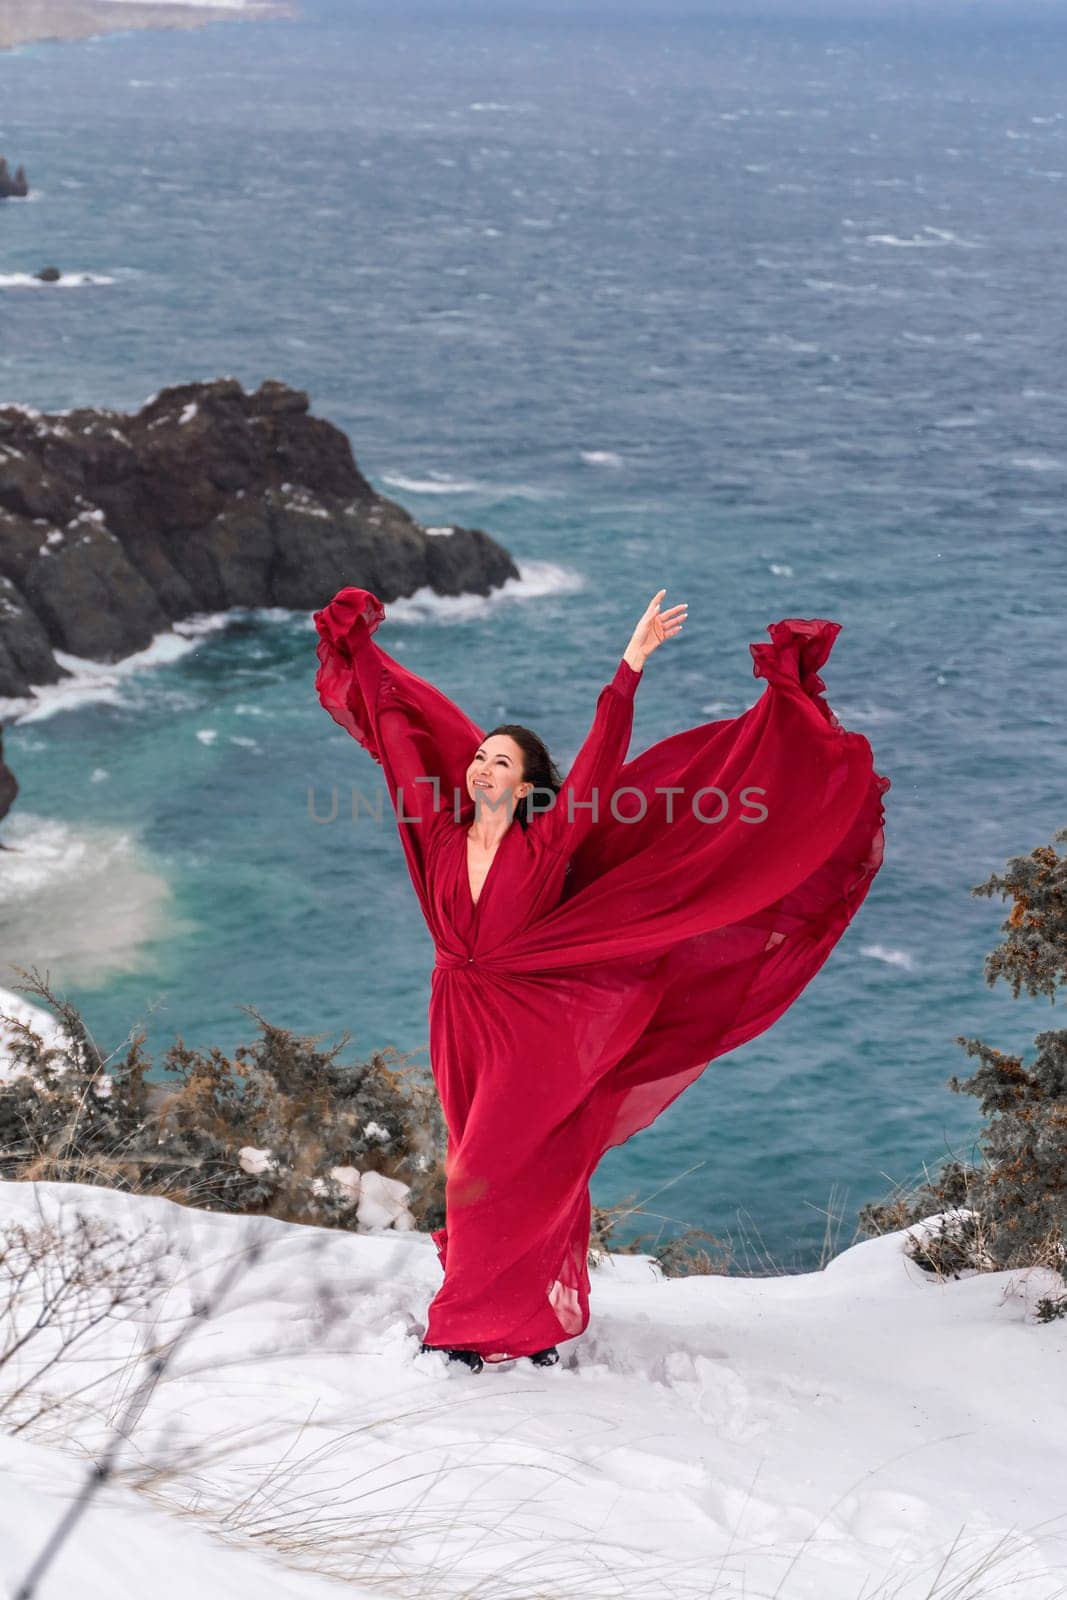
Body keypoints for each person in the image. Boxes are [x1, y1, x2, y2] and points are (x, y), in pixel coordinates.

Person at [313, 585, 889, 1373]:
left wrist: (631, 664)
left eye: (501, 761)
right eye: (479, 754)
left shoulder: (547, 841)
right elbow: (398, 741)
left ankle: (461, 1327)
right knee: (483, 1162)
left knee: (489, 1169)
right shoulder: (436, 831)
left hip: (532, 1027)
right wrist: (366, 658)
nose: (482, 765)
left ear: (526, 784)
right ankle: (530, 1319)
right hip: (458, 1013)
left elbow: (601, 754)